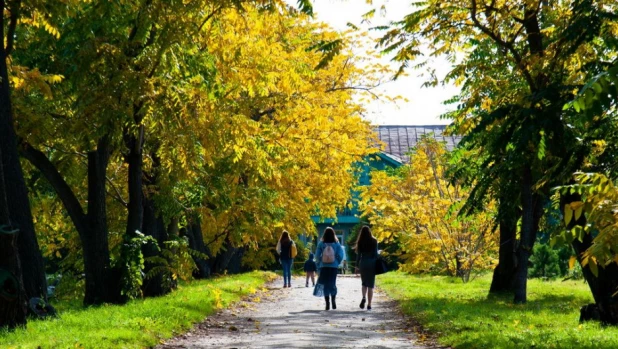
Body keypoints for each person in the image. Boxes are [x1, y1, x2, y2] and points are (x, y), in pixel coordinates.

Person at [314, 227, 344, 310]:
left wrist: (320, 261)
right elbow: (341, 254)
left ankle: (327, 303)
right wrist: (336, 262)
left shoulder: (321, 244)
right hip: (333, 267)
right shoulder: (336, 244)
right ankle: (333, 301)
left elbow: (316, 255)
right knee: (332, 283)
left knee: (325, 284)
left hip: (324, 267)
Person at [355, 225, 378, 310]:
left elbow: (358, 255)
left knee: (364, 283)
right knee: (370, 285)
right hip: (372, 263)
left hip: (363, 263)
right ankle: (369, 304)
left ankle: (363, 297)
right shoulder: (374, 241)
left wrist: (356, 266)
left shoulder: (360, 241)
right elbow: (375, 254)